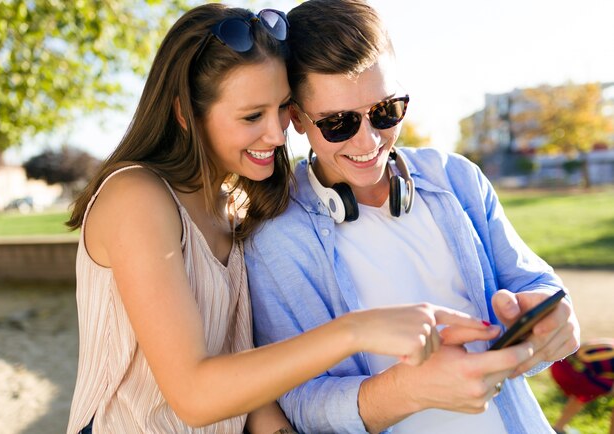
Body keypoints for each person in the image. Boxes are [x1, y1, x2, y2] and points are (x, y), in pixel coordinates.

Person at [64, 4, 491, 434]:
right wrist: (356, 331)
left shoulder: (235, 206)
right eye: (252, 116)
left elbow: (247, 379)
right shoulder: (137, 197)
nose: (276, 133)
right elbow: (194, 396)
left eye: (283, 107)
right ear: (185, 115)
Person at [244, 1, 581, 433]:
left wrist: (552, 315)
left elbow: (534, 282)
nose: (369, 140)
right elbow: (301, 403)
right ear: (296, 118)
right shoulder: (276, 239)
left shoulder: (457, 177)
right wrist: (409, 391)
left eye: (386, 110)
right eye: (339, 124)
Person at [551, 338, 614, 434]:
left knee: (589, 389)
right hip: (571, 371)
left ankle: (558, 428)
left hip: (559, 362)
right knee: (602, 386)